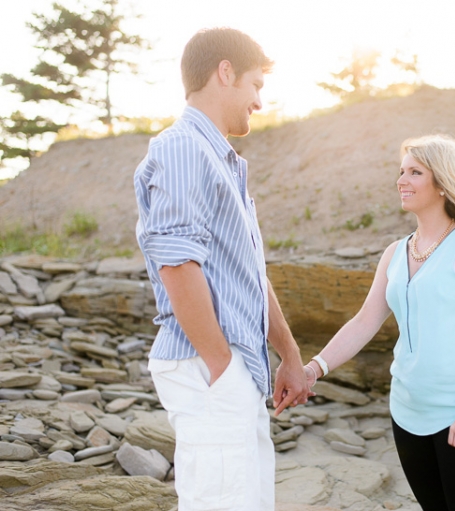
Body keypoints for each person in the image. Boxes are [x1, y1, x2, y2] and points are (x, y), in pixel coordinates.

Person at [304, 134, 455, 511]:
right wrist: (314, 368)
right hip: (406, 412)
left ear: (442, 183)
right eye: (401, 171)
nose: (402, 180)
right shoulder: (395, 252)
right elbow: (365, 322)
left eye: (415, 172)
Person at [134, 28, 311, 511]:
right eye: (256, 85)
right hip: (210, 365)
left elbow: (250, 273)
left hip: (237, 367)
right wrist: (220, 364)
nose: (258, 100)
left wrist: (288, 356)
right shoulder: (183, 149)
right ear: (225, 72)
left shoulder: (222, 159)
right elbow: (176, 262)